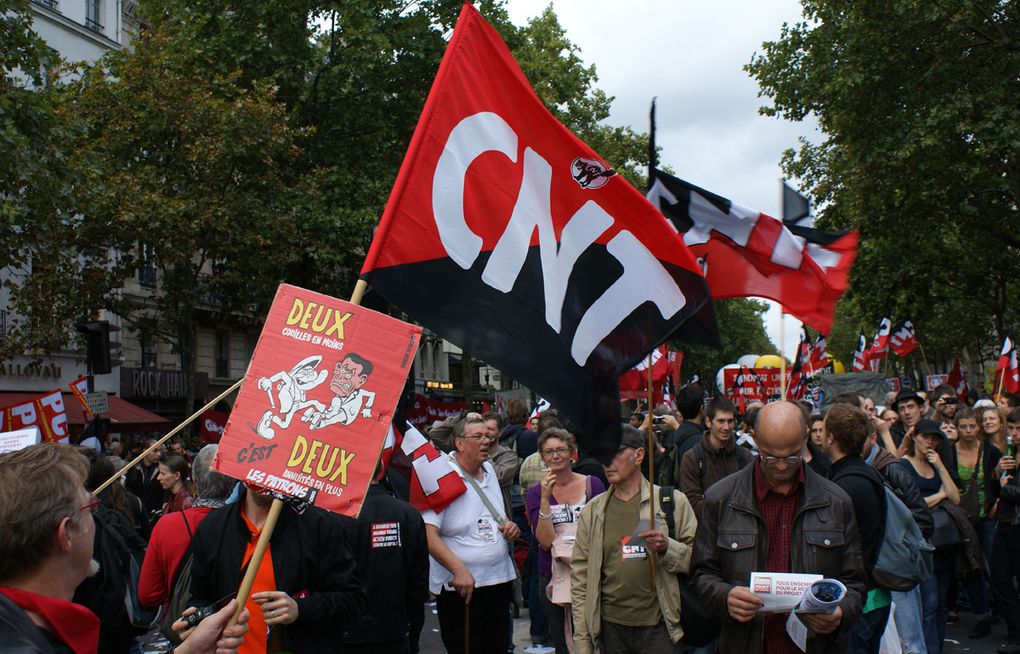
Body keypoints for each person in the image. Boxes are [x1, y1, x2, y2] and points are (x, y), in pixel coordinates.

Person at [0, 443, 249, 654]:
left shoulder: (35, 628)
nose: (99, 518)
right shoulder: (25, 644)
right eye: (91, 508)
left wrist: (187, 650)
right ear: (65, 535)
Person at [691, 401, 866, 654]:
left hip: (815, 645)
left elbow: (856, 582)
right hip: (745, 643)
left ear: (805, 436)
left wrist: (841, 612)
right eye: (771, 457)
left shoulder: (836, 502)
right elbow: (701, 573)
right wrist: (725, 596)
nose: (782, 465)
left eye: (792, 455)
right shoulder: (721, 499)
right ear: (754, 440)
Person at [188, 482, 366, 653]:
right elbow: (200, 597)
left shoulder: (320, 525)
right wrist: (196, 619)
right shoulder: (213, 527)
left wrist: (300, 609)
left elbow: (352, 600)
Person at [570, 426, 697, 654]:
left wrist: (667, 547)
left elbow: (698, 562)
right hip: (611, 630)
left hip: (660, 627)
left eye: (616, 453)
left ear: (638, 455)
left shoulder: (671, 502)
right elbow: (580, 580)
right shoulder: (593, 511)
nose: (607, 462)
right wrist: (582, 641)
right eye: (603, 454)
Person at [422, 416, 520, 654]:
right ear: (459, 443)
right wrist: (459, 570)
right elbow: (428, 535)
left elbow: (491, 516)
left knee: (498, 648)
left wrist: (509, 526)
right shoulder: (441, 474)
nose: (486, 441)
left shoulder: (489, 470)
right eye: (477, 436)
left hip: (498, 580)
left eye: (488, 436)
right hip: (462, 588)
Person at [527, 427, 606, 653]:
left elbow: (601, 529)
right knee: (562, 641)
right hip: (553, 574)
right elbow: (544, 540)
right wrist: (544, 499)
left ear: (572, 452)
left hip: (589, 570)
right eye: (549, 452)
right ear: (542, 457)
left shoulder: (593, 484)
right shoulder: (535, 493)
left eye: (561, 450)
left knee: (594, 634)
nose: (555, 456)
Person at [822, 403, 891, 654]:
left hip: (860, 600)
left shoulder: (846, 485)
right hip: (873, 595)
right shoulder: (864, 474)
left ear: (830, 438)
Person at [340, 473, 429, 654]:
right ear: (381, 469)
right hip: (396, 627)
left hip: (350, 632)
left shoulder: (336, 516)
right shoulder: (409, 513)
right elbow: (418, 581)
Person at [139, 444, 236, 610]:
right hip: (235, 624)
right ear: (232, 484)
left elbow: (148, 595)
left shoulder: (167, 525)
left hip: (183, 625)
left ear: (194, 480)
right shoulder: (247, 526)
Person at [899, 419, 961, 654]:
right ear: (914, 437)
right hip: (920, 542)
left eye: (935, 438)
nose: (930, 442)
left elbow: (955, 497)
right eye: (926, 437)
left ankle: (937, 646)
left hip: (945, 541)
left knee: (941, 603)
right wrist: (939, 496)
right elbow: (908, 506)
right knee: (929, 604)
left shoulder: (938, 464)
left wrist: (942, 468)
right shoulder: (903, 466)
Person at [953, 407, 1002, 639]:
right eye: (964, 427)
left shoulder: (990, 451)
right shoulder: (950, 452)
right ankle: (981, 615)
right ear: (957, 428)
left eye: (973, 426)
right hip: (963, 519)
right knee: (971, 566)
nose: (969, 431)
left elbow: (1002, 482)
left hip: (988, 516)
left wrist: (997, 502)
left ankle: (1000, 607)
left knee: (995, 563)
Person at [678, 396, 753, 519]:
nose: (726, 427)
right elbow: (693, 506)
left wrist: (709, 500)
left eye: (730, 421)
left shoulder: (745, 456)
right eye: (721, 421)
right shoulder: (692, 458)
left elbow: (751, 499)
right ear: (708, 422)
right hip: (706, 533)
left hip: (740, 531)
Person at [991, 408, 1020, 654]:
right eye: (1011, 428)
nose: (1014, 434)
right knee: (1000, 579)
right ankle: (1015, 633)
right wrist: (998, 474)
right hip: (1005, 525)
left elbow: (1012, 492)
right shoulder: (1011, 453)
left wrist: (1005, 487)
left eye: (1018, 429)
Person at [126, 437, 166, 520]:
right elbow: (129, 491)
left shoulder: (162, 469)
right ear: (145, 451)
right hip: (138, 514)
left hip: (157, 513)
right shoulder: (134, 468)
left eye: (160, 451)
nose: (159, 454)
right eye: (155, 451)